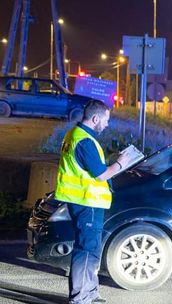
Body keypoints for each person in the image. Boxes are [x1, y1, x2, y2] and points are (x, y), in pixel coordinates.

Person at [54, 100, 131, 304]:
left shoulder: (75, 135)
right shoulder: (85, 141)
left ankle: (89, 293)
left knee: (89, 248)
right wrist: (121, 163)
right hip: (87, 201)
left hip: (82, 201)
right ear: (95, 118)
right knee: (87, 249)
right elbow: (101, 175)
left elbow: (90, 166)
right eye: (106, 120)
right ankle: (81, 298)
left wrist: (112, 159)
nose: (107, 124)